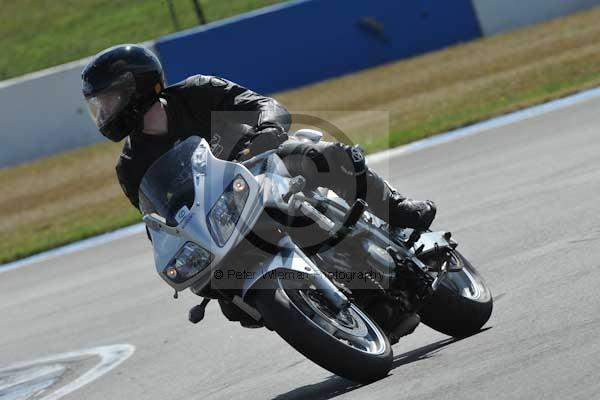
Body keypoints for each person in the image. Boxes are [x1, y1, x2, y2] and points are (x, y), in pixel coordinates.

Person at [81, 44, 436, 234]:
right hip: (228, 217)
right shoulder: (131, 167)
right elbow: (158, 222)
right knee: (231, 301)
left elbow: (263, 105)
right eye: (99, 105)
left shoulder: (197, 92)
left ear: (138, 87)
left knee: (326, 155)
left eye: (109, 100)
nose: (104, 112)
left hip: (270, 166)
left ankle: (396, 208)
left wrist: (266, 129)